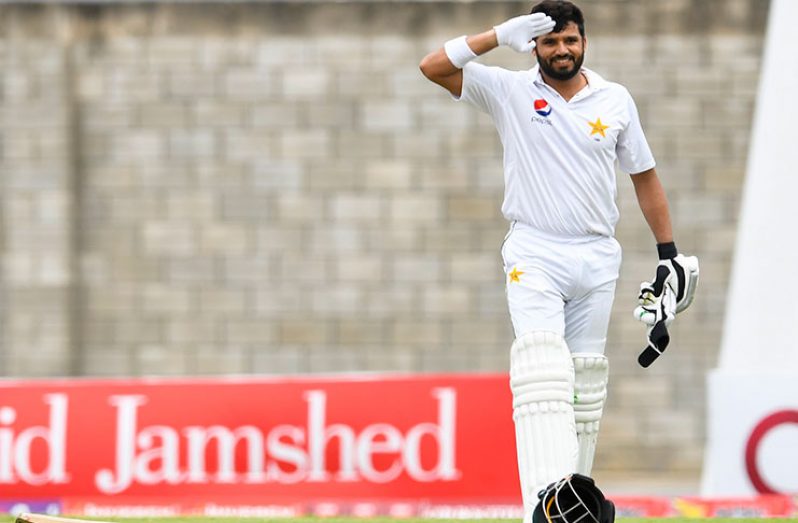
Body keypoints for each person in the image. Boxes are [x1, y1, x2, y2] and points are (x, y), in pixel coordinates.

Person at [419, 1, 698, 521]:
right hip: (535, 250)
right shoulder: (510, 90)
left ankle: (575, 509)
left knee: (583, 384)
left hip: (596, 256)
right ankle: (541, 508)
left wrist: (668, 253)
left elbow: (645, 178)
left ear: (584, 42)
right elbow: (434, 65)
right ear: (535, 46)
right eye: (550, 42)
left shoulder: (614, 100)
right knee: (542, 371)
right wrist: (499, 34)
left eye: (570, 40)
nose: (562, 50)